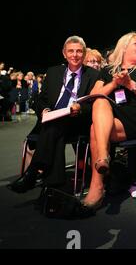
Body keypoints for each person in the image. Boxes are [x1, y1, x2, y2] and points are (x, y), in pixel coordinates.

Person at [8, 36, 99, 195]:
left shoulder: (93, 75)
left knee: (54, 127)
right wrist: (44, 110)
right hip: (52, 120)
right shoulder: (54, 72)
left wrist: (81, 109)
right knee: (55, 127)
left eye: (79, 51)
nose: (75, 55)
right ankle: (53, 185)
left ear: (84, 54)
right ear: (64, 53)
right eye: (71, 51)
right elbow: (40, 99)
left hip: (77, 121)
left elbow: (94, 102)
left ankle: (33, 172)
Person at [82, 32, 136, 209]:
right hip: (112, 117)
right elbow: (92, 95)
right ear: (123, 48)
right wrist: (114, 84)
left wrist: (130, 84)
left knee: (96, 129)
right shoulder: (107, 71)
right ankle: (102, 158)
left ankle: (97, 184)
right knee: (100, 102)